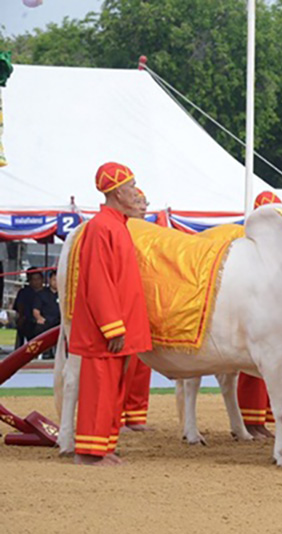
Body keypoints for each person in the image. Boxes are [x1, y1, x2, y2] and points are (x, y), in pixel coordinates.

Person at [69, 162, 152, 466]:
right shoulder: (102, 227)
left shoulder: (116, 225)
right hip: (106, 330)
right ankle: (89, 452)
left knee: (113, 390)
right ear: (118, 192)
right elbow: (98, 281)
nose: (136, 193)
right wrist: (112, 327)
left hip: (120, 328)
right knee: (100, 390)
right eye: (132, 187)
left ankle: (103, 447)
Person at [237, 190, 282, 437]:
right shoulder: (248, 245)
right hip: (253, 311)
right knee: (251, 370)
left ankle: (260, 420)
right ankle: (249, 421)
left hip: (273, 312)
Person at [119, 187, 154, 431]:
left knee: (142, 364)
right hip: (122, 304)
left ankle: (136, 416)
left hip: (144, 304)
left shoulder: (153, 233)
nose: (143, 207)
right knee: (122, 365)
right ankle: (118, 416)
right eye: (138, 201)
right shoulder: (118, 230)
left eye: (145, 202)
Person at [31, 269, 60, 358]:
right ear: (49, 280)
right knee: (39, 328)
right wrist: (39, 318)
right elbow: (36, 310)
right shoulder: (42, 294)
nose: (56, 282)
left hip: (59, 322)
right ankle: (44, 352)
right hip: (46, 321)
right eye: (54, 280)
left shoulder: (64, 294)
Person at [12, 269, 44, 348]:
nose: (36, 282)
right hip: (27, 319)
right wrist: (21, 317)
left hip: (43, 321)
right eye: (34, 279)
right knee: (22, 326)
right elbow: (19, 306)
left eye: (38, 279)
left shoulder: (46, 293)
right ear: (29, 280)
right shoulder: (24, 292)